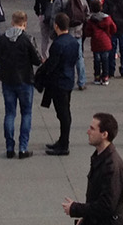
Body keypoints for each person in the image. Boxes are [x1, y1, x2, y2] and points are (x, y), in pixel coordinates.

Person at [61, 112, 123, 225]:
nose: (88, 132)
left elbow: (107, 205)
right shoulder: (100, 157)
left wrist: (76, 209)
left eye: (92, 129)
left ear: (104, 134)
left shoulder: (111, 166)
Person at [0, 10, 40, 159]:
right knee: (26, 113)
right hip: (25, 79)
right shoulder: (28, 39)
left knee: (10, 113)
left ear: (12, 22)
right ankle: (23, 148)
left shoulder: (1, 39)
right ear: (24, 23)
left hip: (7, 79)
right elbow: (36, 60)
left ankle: (9, 147)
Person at [43, 13, 80, 156]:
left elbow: (52, 65)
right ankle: (62, 140)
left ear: (56, 25)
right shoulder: (73, 42)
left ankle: (64, 143)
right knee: (64, 111)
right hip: (68, 79)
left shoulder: (57, 44)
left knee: (63, 113)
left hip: (58, 81)